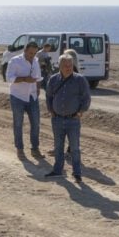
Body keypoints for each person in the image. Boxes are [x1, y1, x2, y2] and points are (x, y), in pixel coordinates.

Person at [45, 53, 91, 182]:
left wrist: (81, 111)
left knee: (75, 148)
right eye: (65, 65)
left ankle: (77, 173)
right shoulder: (53, 79)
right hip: (57, 119)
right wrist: (51, 110)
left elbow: (86, 98)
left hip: (73, 120)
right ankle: (57, 170)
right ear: (59, 66)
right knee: (58, 147)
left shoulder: (80, 80)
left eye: (70, 65)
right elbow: (48, 96)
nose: (68, 68)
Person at [7, 42, 44, 160]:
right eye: (30, 53)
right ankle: (20, 149)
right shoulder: (14, 61)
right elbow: (9, 78)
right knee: (18, 124)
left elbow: (38, 77)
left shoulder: (36, 61)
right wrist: (24, 79)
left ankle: (35, 149)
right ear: (25, 50)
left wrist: (38, 88)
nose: (32, 55)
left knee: (36, 124)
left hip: (32, 97)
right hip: (18, 97)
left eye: (34, 53)